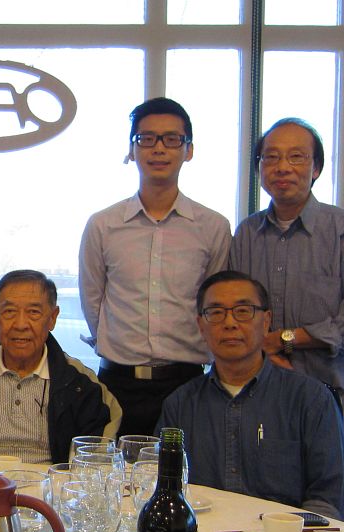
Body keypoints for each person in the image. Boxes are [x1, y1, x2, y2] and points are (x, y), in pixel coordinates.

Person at [230, 117, 344, 499]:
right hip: (258, 402)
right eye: (271, 157)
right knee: (251, 513)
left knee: (329, 518)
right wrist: (265, 353)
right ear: (260, 169)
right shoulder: (247, 234)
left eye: (296, 157)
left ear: (316, 168)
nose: (282, 167)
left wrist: (285, 340)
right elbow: (233, 312)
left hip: (328, 398)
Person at [79, 97, 231, 437]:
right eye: (146, 139)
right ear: (132, 149)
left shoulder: (213, 227)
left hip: (187, 383)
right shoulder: (103, 225)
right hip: (117, 382)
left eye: (171, 139)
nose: (158, 148)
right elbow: (93, 300)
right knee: (116, 470)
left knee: (186, 470)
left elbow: (214, 306)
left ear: (188, 150)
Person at [158, 271, 344, 521]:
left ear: (265, 321)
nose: (230, 323)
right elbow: (162, 491)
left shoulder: (310, 399)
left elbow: (330, 501)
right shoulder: (180, 405)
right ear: (201, 326)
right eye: (216, 312)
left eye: (243, 311)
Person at [0, 270, 119, 465]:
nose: (20, 324)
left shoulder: (81, 385)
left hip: (52, 483)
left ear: (52, 318)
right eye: (9, 312)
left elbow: (93, 464)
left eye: (33, 312)